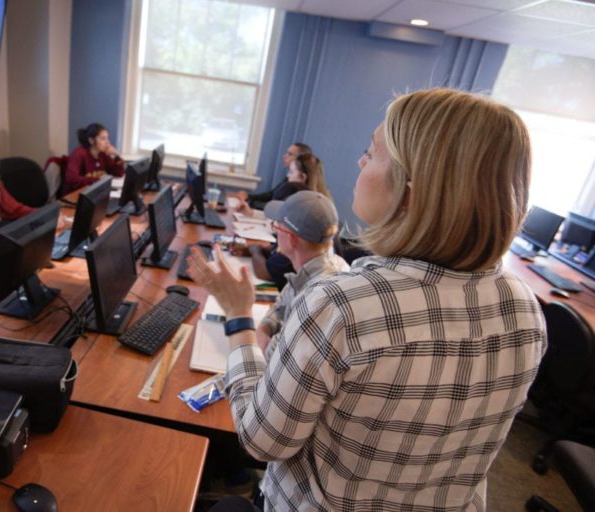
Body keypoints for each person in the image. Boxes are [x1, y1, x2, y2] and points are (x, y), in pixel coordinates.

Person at [190, 88, 546, 511]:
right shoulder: (525, 308)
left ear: (411, 188)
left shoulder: (341, 306)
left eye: (372, 153)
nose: (360, 161)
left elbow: (261, 439)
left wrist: (238, 318)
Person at [255, 191, 349, 359]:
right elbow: (280, 307)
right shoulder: (320, 265)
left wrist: (241, 320)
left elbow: (272, 358)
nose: (275, 234)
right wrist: (264, 329)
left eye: (277, 227)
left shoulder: (315, 298)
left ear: (291, 239)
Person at [236, 153, 333, 289]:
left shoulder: (300, 234)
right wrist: (261, 250)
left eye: (278, 223)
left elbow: (267, 271)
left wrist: (256, 251)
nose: (288, 176)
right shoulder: (318, 210)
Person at [231, 142, 312, 211]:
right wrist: (249, 196)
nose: (284, 156)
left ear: (300, 159)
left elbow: (275, 207)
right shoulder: (289, 178)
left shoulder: (297, 188)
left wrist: (248, 200)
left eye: (290, 154)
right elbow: (271, 194)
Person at [61, 122, 125, 195]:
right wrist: (98, 181)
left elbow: (118, 174)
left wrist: (115, 155)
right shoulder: (79, 154)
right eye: (103, 139)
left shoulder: (103, 154)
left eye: (107, 138)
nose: (108, 142)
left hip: (92, 193)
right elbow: (71, 179)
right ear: (91, 140)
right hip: (75, 195)